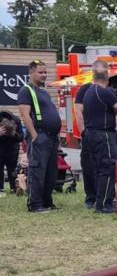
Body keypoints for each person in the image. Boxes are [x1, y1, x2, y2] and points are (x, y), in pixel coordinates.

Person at [80, 61, 117, 213]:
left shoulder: (88, 91)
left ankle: (99, 200)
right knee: (108, 167)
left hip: (91, 133)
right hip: (103, 134)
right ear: (107, 78)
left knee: (99, 168)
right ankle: (104, 204)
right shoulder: (105, 92)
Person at [17, 59, 62, 213]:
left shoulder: (43, 92)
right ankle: (35, 204)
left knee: (51, 172)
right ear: (31, 72)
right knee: (37, 171)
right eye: (40, 72)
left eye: (45, 72)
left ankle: (47, 202)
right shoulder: (26, 90)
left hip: (51, 137)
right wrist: (34, 135)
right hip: (40, 136)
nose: (44, 75)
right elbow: (25, 115)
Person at [73, 72, 94, 206]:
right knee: (88, 165)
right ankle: (90, 198)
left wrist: (114, 130)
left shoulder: (108, 90)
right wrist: (83, 132)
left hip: (105, 135)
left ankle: (105, 196)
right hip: (89, 133)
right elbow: (78, 112)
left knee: (104, 166)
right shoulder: (85, 89)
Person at [0, 111, 22, 193]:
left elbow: (21, 137)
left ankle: (13, 188)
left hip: (12, 149)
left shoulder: (17, 120)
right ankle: (0, 189)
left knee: (12, 170)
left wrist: (14, 134)